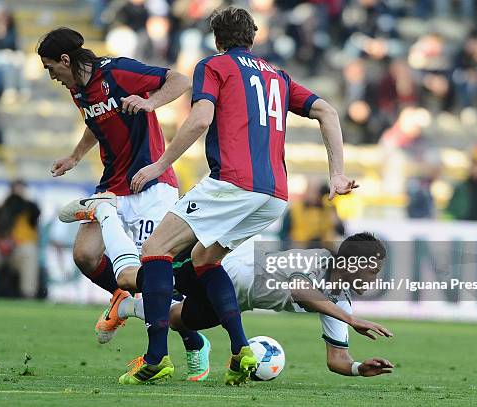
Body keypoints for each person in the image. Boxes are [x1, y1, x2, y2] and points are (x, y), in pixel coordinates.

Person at [103, 6, 357, 385]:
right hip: (273, 194)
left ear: (217, 40)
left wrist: (159, 165)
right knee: (205, 258)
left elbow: (202, 118)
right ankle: (241, 351)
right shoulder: (279, 76)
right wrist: (336, 173)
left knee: (155, 251)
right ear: (253, 38)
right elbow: (327, 111)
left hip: (233, 183)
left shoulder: (215, 66)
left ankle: (156, 357)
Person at [38, 28, 190, 342]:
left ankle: (189, 341)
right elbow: (97, 122)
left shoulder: (119, 71)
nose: (51, 76)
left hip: (150, 183)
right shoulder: (77, 88)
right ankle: (122, 298)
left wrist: (152, 103)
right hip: (113, 185)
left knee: (149, 272)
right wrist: (75, 157)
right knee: (85, 255)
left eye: (51, 67)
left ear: (65, 60)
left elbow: (180, 80)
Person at [123, 233, 394, 379]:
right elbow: (299, 290)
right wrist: (352, 320)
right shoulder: (317, 260)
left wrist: (359, 368)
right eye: (373, 270)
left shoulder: (340, 301)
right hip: (226, 267)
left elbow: (337, 360)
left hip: (240, 300)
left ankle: (124, 307)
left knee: (175, 320)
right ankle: (106, 217)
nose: (376, 278)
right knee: (134, 279)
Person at [0, 180, 40, 298]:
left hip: (18, 250)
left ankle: (28, 294)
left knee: (29, 252)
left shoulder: (29, 208)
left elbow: (37, 214)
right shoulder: (1, 207)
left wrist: (26, 199)